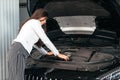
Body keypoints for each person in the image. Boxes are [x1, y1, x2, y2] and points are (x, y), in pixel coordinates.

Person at [7, 8, 69, 80]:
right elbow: (45, 40)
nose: (45, 21)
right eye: (44, 19)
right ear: (39, 16)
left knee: (14, 77)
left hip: (18, 50)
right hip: (19, 50)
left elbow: (36, 44)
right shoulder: (34, 22)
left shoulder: (31, 24)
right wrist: (57, 54)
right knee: (17, 78)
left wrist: (45, 53)